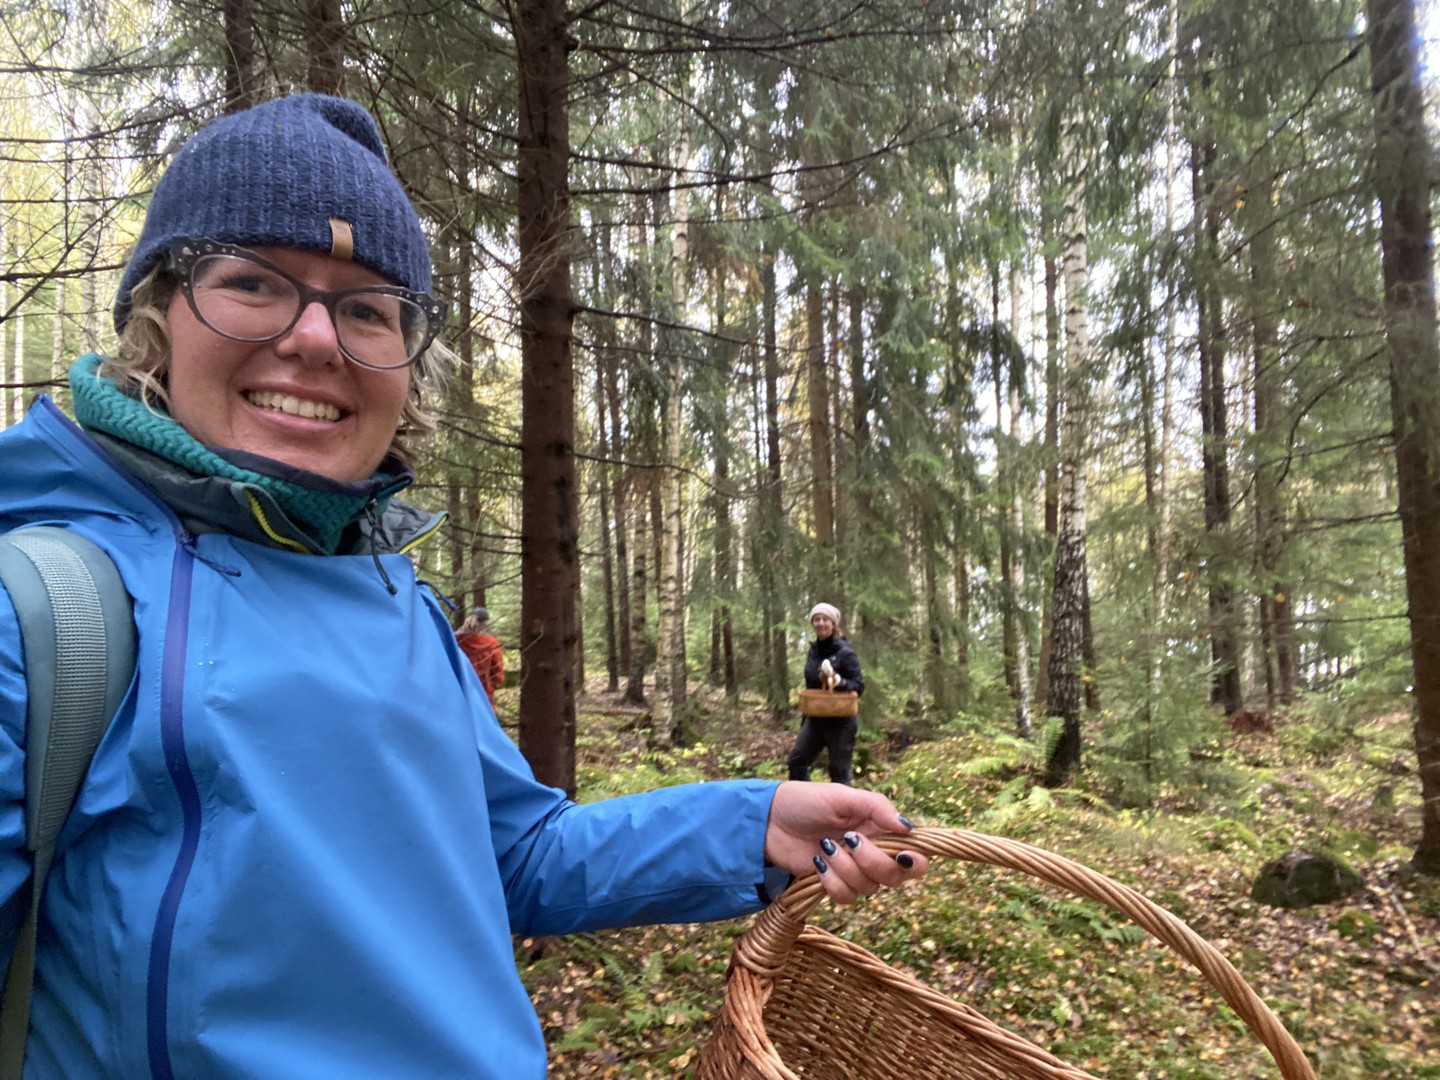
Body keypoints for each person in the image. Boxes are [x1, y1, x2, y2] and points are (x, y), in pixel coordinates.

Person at [0, 94, 928, 1079]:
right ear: (155, 314)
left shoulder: (397, 602)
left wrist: (750, 825)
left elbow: (516, 856)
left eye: (366, 307)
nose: (317, 338)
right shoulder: (45, 615)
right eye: (254, 282)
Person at [787, 602, 865, 785]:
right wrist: (805, 720)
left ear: (833, 623)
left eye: (825, 619)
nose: (820, 623)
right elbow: (812, 685)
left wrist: (839, 682)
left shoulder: (845, 652)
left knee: (839, 772)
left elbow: (859, 685)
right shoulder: (814, 651)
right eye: (816, 619)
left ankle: (842, 812)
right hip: (815, 718)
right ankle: (808, 806)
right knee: (796, 762)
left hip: (841, 721)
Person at [456, 606, 505, 705]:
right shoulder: (492, 643)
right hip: (484, 695)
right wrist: (491, 687)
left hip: (458, 694)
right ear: (485, 624)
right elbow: (497, 672)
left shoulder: (454, 640)